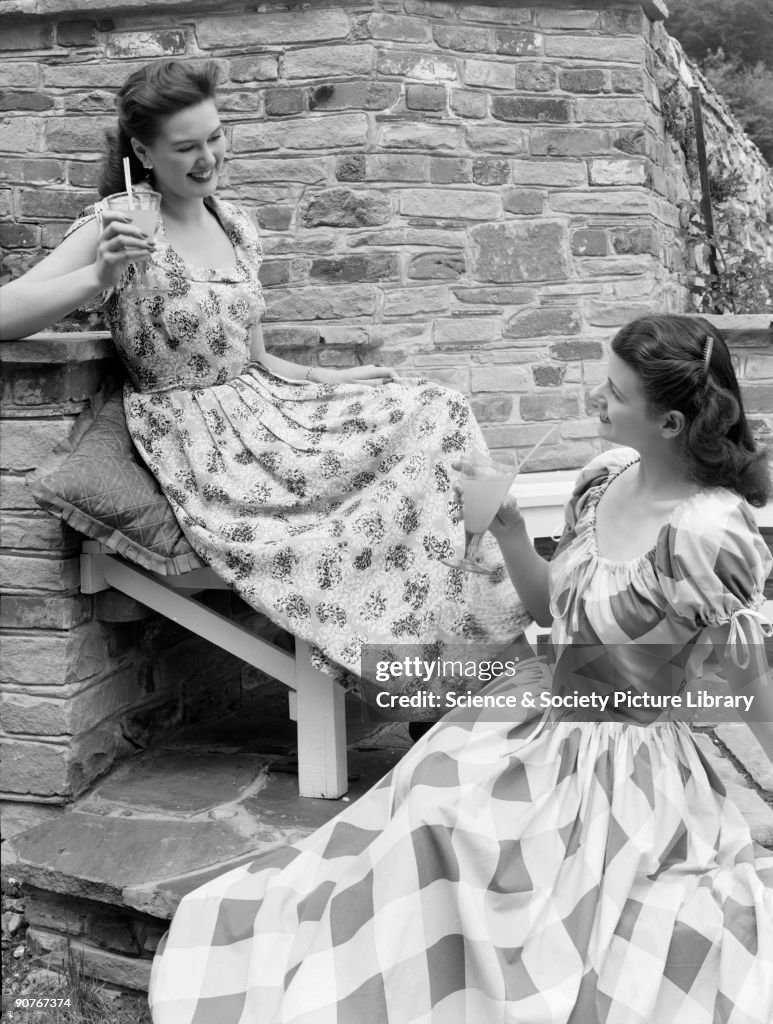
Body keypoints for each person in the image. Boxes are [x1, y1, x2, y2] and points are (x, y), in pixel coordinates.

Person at [148, 314, 773, 1023]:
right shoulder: (602, 478)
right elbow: (546, 609)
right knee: (428, 806)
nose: (595, 400)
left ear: (667, 423)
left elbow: (751, 680)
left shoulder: (704, 534)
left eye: (615, 393)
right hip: (537, 717)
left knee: (527, 891)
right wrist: (507, 529)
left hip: (625, 763)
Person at [0, 58, 533, 696]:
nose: (208, 158)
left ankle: (467, 653)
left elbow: (254, 356)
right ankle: (428, 677)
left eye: (215, 137)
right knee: (406, 479)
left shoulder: (238, 224)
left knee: (437, 410)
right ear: (141, 151)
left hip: (267, 409)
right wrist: (98, 278)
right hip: (201, 442)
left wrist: (337, 379)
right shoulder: (115, 222)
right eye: (186, 147)